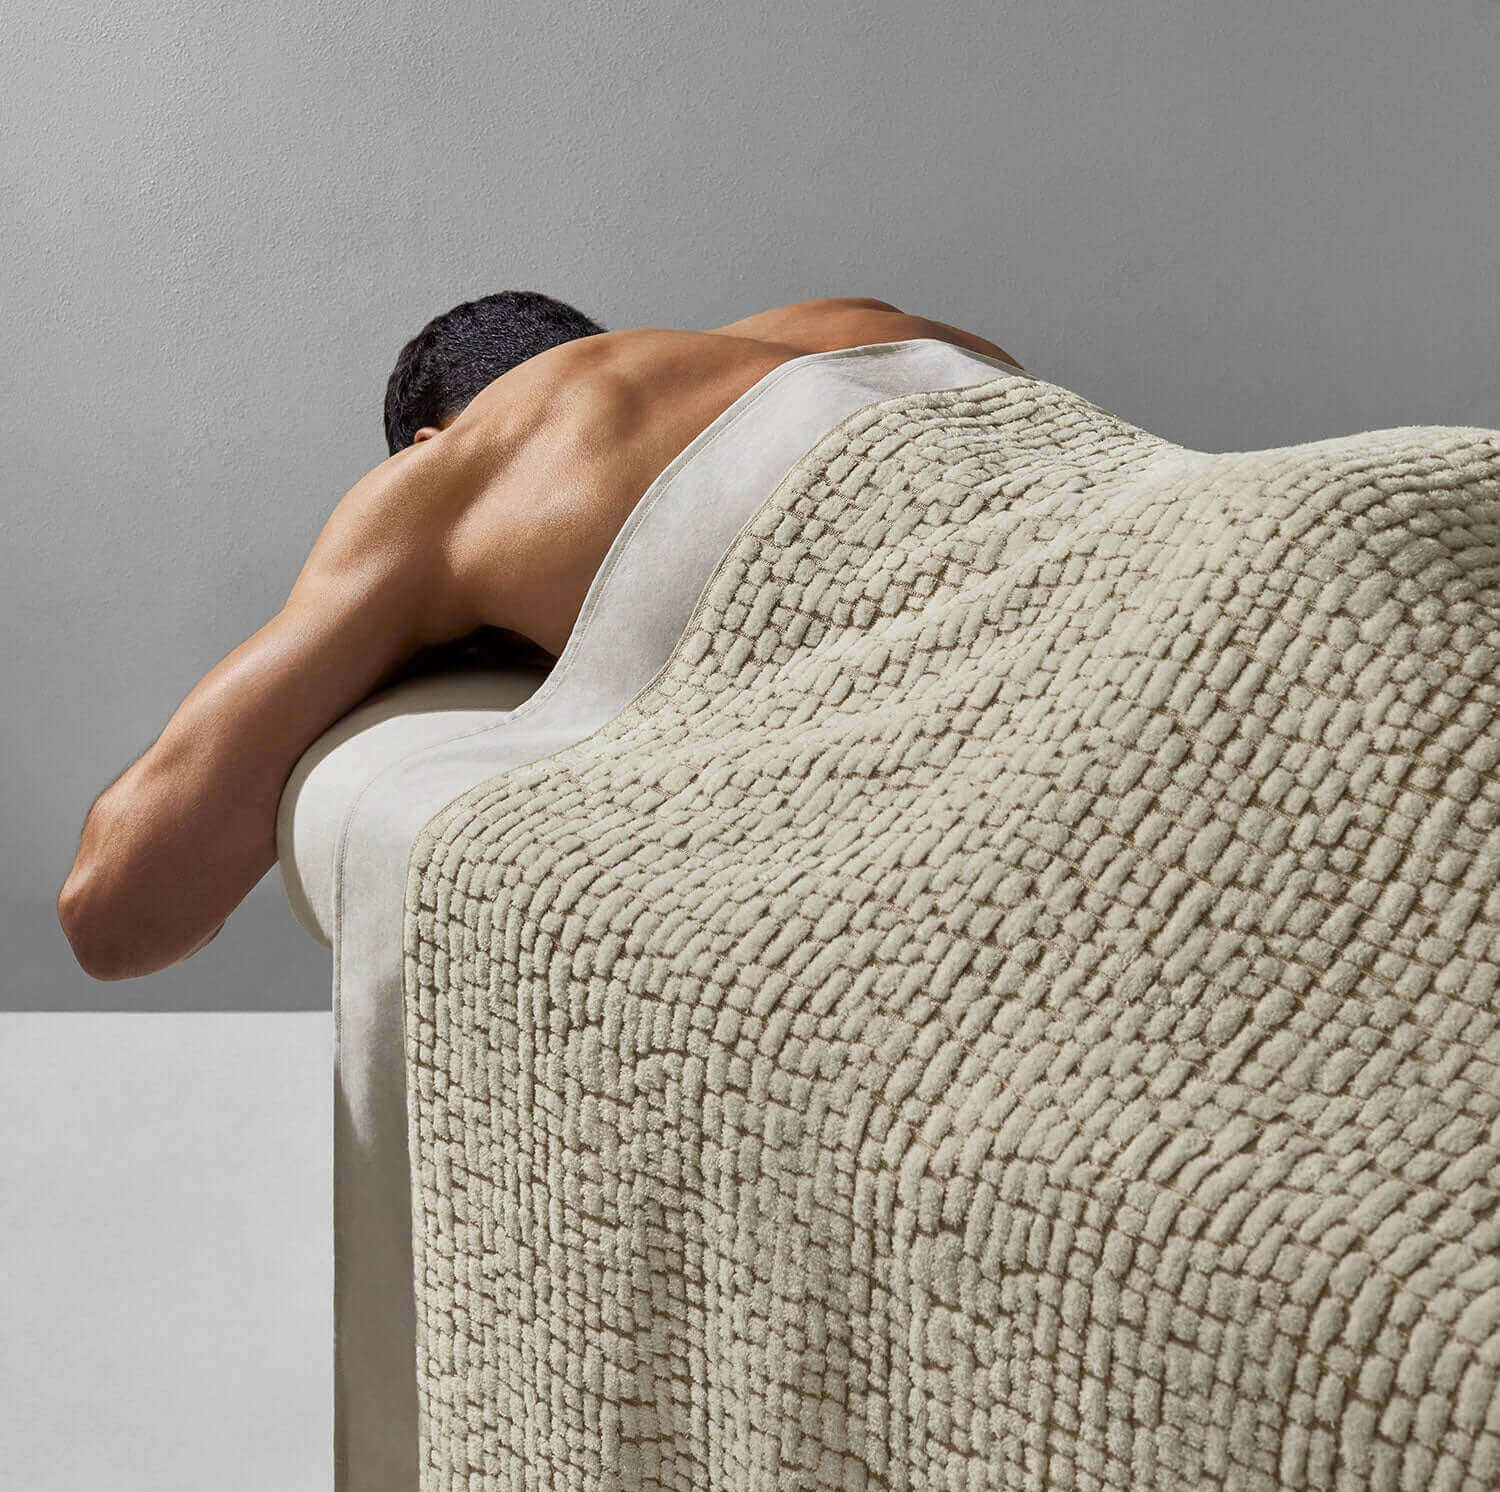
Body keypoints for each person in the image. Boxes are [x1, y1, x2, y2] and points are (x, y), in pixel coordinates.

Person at [57, 292, 1022, 981]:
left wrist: (429, 630)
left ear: (426, 449)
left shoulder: (459, 472)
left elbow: (117, 910)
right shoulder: (860, 322)